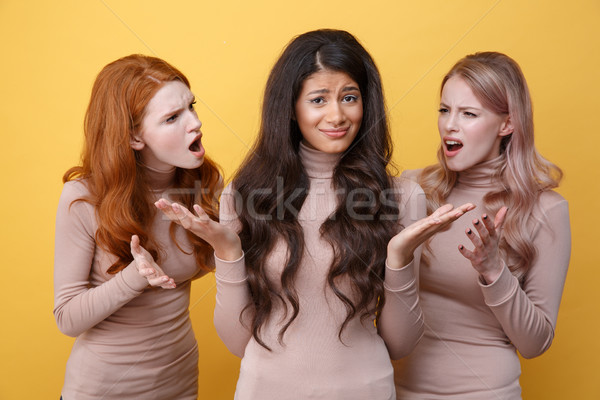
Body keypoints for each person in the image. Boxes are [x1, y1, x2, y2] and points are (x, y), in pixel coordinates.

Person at [156, 29, 473, 400]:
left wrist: (399, 259)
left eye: (349, 97)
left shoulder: (402, 197)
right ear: (291, 108)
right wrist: (228, 252)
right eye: (318, 99)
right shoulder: (245, 194)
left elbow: (401, 344)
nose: (337, 115)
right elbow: (238, 341)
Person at [393, 52, 571, 399]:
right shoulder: (411, 189)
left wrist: (493, 270)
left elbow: (536, 343)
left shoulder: (545, 210)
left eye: (468, 114)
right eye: (444, 110)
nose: (449, 125)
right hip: (393, 390)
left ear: (507, 124)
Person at [53, 54, 222, 399]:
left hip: (180, 381)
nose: (196, 123)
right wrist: (133, 277)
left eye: (191, 106)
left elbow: (219, 263)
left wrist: (225, 242)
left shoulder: (205, 183)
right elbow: (67, 318)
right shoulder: (83, 198)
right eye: (173, 117)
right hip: (104, 389)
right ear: (134, 138)